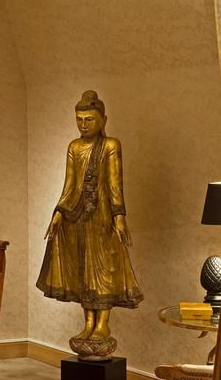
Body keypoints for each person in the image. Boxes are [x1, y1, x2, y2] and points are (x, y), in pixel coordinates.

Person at [37, 90, 143, 349]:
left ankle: (102, 323)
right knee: (84, 269)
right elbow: (69, 184)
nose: (84, 125)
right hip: (77, 216)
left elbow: (115, 184)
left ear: (103, 120)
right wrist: (59, 213)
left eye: (90, 120)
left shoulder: (110, 146)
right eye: (80, 120)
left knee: (104, 268)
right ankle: (87, 323)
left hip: (103, 217)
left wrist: (119, 216)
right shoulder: (74, 147)